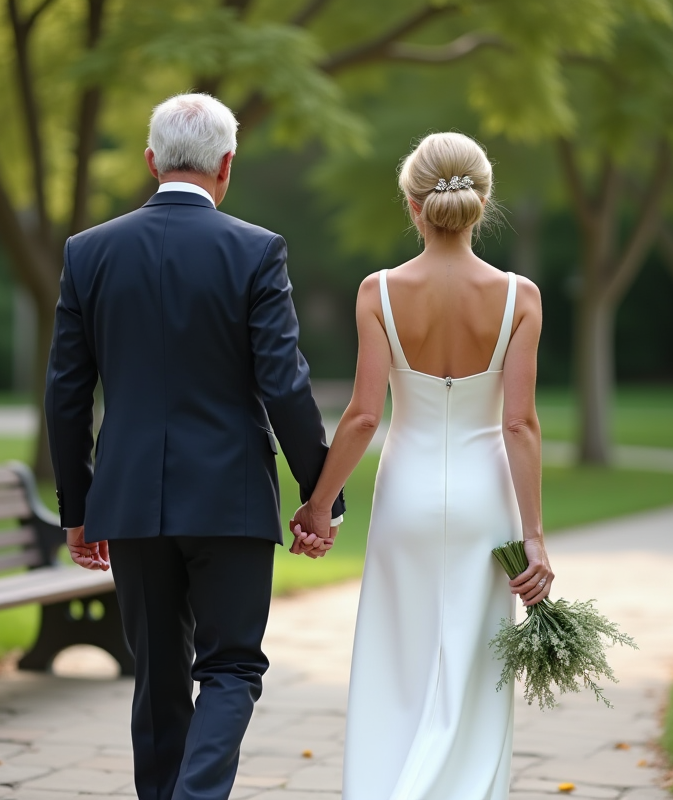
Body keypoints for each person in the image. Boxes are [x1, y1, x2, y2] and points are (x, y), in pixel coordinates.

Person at [44, 92, 345, 800]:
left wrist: (77, 507)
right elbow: (285, 385)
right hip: (229, 499)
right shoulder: (256, 251)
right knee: (232, 668)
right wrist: (318, 496)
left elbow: (65, 394)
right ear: (227, 165)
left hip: (130, 501)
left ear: (152, 160)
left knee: (157, 676)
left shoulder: (88, 252)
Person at [290, 132, 551, 799]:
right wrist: (534, 537)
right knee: (475, 664)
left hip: (405, 495)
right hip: (486, 501)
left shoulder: (377, 291)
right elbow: (519, 424)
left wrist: (318, 505)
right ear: (483, 201)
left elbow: (362, 417)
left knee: (396, 659)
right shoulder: (520, 296)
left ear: (413, 204)